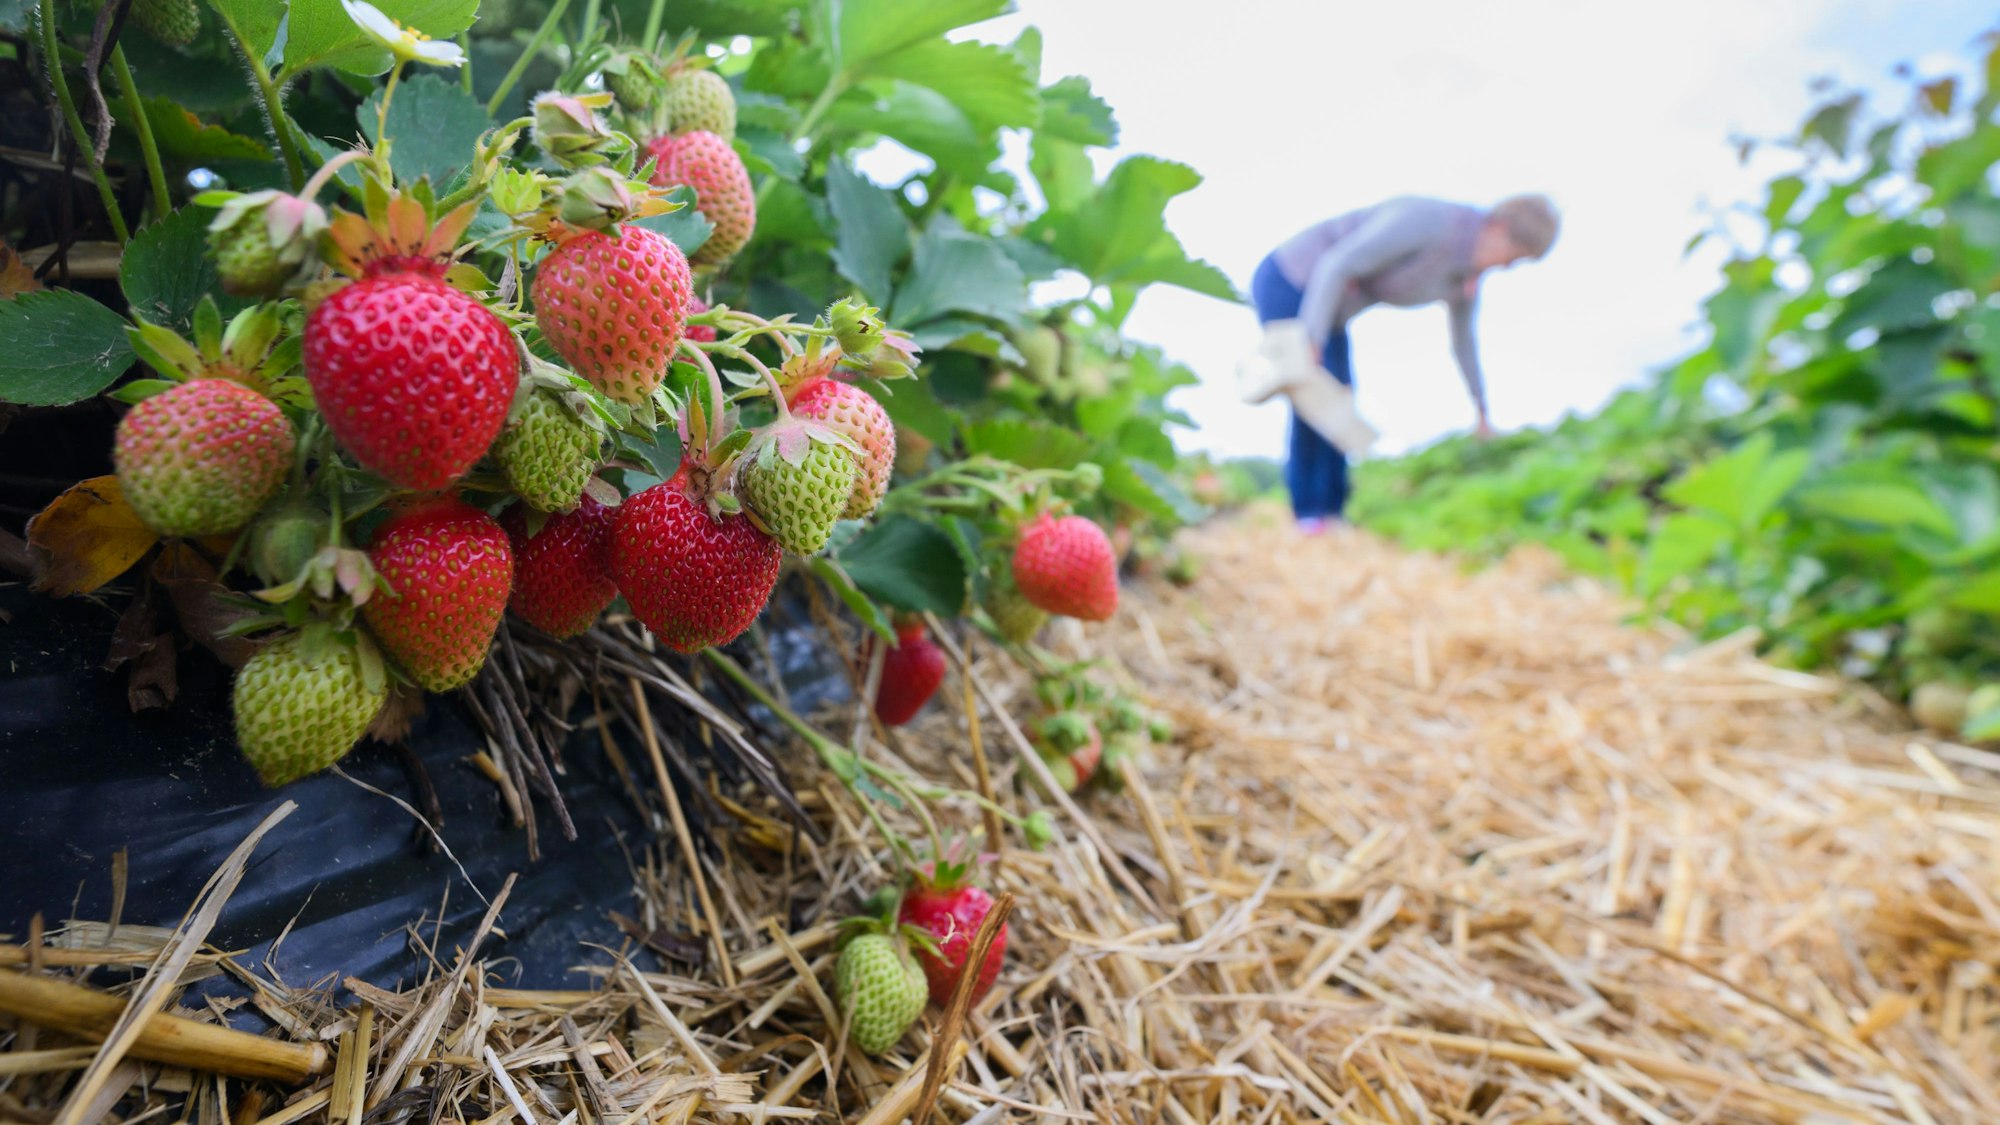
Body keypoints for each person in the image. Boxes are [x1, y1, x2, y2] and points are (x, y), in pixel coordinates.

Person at [1251, 194, 1559, 532]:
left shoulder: (1464, 276)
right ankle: (1309, 514)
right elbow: (1337, 264)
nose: (1506, 267)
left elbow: (1464, 343)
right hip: (1293, 279)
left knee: (1342, 397)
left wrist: (1480, 407)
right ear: (1499, 228)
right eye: (1513, 258)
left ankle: (1333, 513)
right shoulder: (1428, 220)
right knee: (1318, 401)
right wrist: (1312, 338)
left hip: (1334, 310)